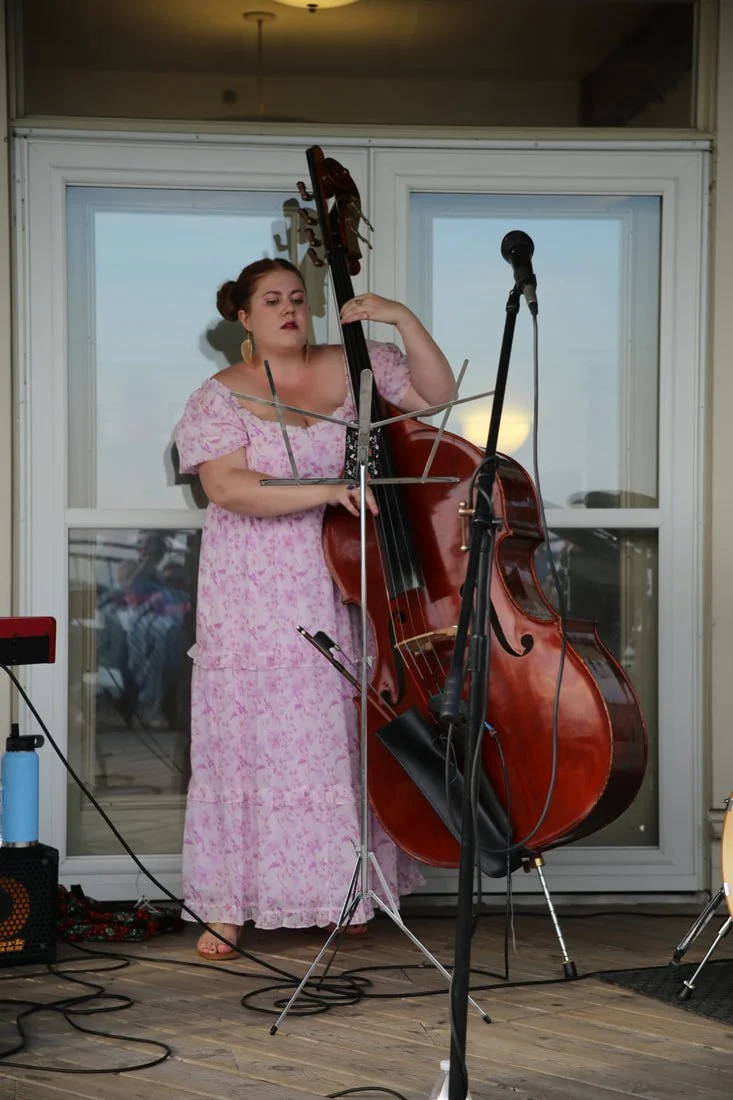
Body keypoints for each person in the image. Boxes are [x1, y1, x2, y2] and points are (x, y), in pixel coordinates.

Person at [174, 257, 455, 958]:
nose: (290, 309)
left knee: (331, 728)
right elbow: (230, 490)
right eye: (271, 300)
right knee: (248, 734)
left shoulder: (355, 366)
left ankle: (343, 891)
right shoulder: (216, 396)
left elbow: (435, 393)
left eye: (298, 298)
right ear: (243, 316)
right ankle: (225, 905)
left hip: (342, 571)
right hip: (251, 581)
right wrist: (327, 489)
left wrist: (399, 316)